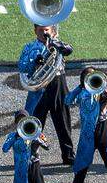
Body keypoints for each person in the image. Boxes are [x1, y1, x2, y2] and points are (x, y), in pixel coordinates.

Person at [17, 23, 75, 164]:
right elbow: (22, 66)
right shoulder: (29, 47)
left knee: (63, 121)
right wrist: (34, 64)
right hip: (39, 90)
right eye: (41, 30)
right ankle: (30, 153)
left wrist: (57, 45)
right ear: (35, 31)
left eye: (47, 30)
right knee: (35, 121)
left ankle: (68, 155)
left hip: (58, 85)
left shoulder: (57, 44)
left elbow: (69, 50)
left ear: (52, 31)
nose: (44, 33)